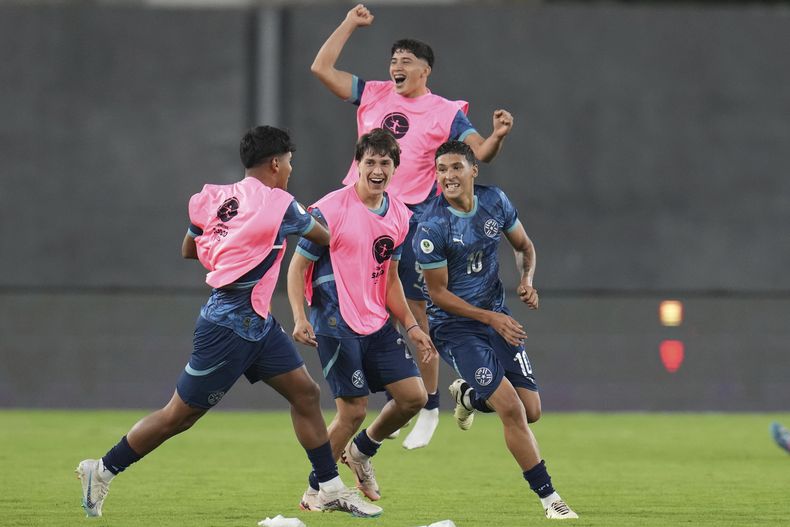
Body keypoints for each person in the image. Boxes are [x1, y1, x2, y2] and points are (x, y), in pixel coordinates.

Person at [75, 126, 381, 519]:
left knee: (305, 394)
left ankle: (330, 488)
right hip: (228, 329)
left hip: (258, 324)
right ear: (276, 163)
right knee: (177, 416)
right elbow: (323, 236)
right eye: (289, 162)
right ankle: (101, 469)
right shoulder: (282, 204)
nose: (291, 169)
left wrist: (234, 244)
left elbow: (189, 249)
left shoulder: (213, 197)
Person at [311, 3, 514, 449]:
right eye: (393, 60)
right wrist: (349, 23)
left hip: (408, 220)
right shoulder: (374, 93)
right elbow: (321, 68)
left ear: (425, 70)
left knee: (414, 311)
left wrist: (497, 136)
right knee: (355, 304)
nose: (396, 66)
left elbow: (479, 152)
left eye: (405, 60)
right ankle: (390, 398)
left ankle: (428, 406)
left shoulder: (445, 112)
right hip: (356, 214)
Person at [414, 140, 578, 520]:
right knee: (511, 409)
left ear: (474, 170)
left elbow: (524, 245)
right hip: (455, 329)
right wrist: (491, 319)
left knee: (532, 410)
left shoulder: (495, 202)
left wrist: (527, 280)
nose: (448, 176)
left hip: (496, 316)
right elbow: (438, 294)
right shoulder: (432, 225)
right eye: (441, 169)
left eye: (456, 167)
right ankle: (550, 499)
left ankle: (470, 397)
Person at [287, 129, 437, 509]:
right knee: (352, 410)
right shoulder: (329, 209)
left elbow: (390, 279)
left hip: (377, 322)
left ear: (395, 168)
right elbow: (297, 267)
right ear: (357, 165)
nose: (377, 169)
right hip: (335, 322)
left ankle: (360, 452)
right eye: (370, 162)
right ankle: (315, 492)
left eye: (385, 163)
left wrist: (413, 326)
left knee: (414, 397)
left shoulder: (400, 215)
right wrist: (299, 317)